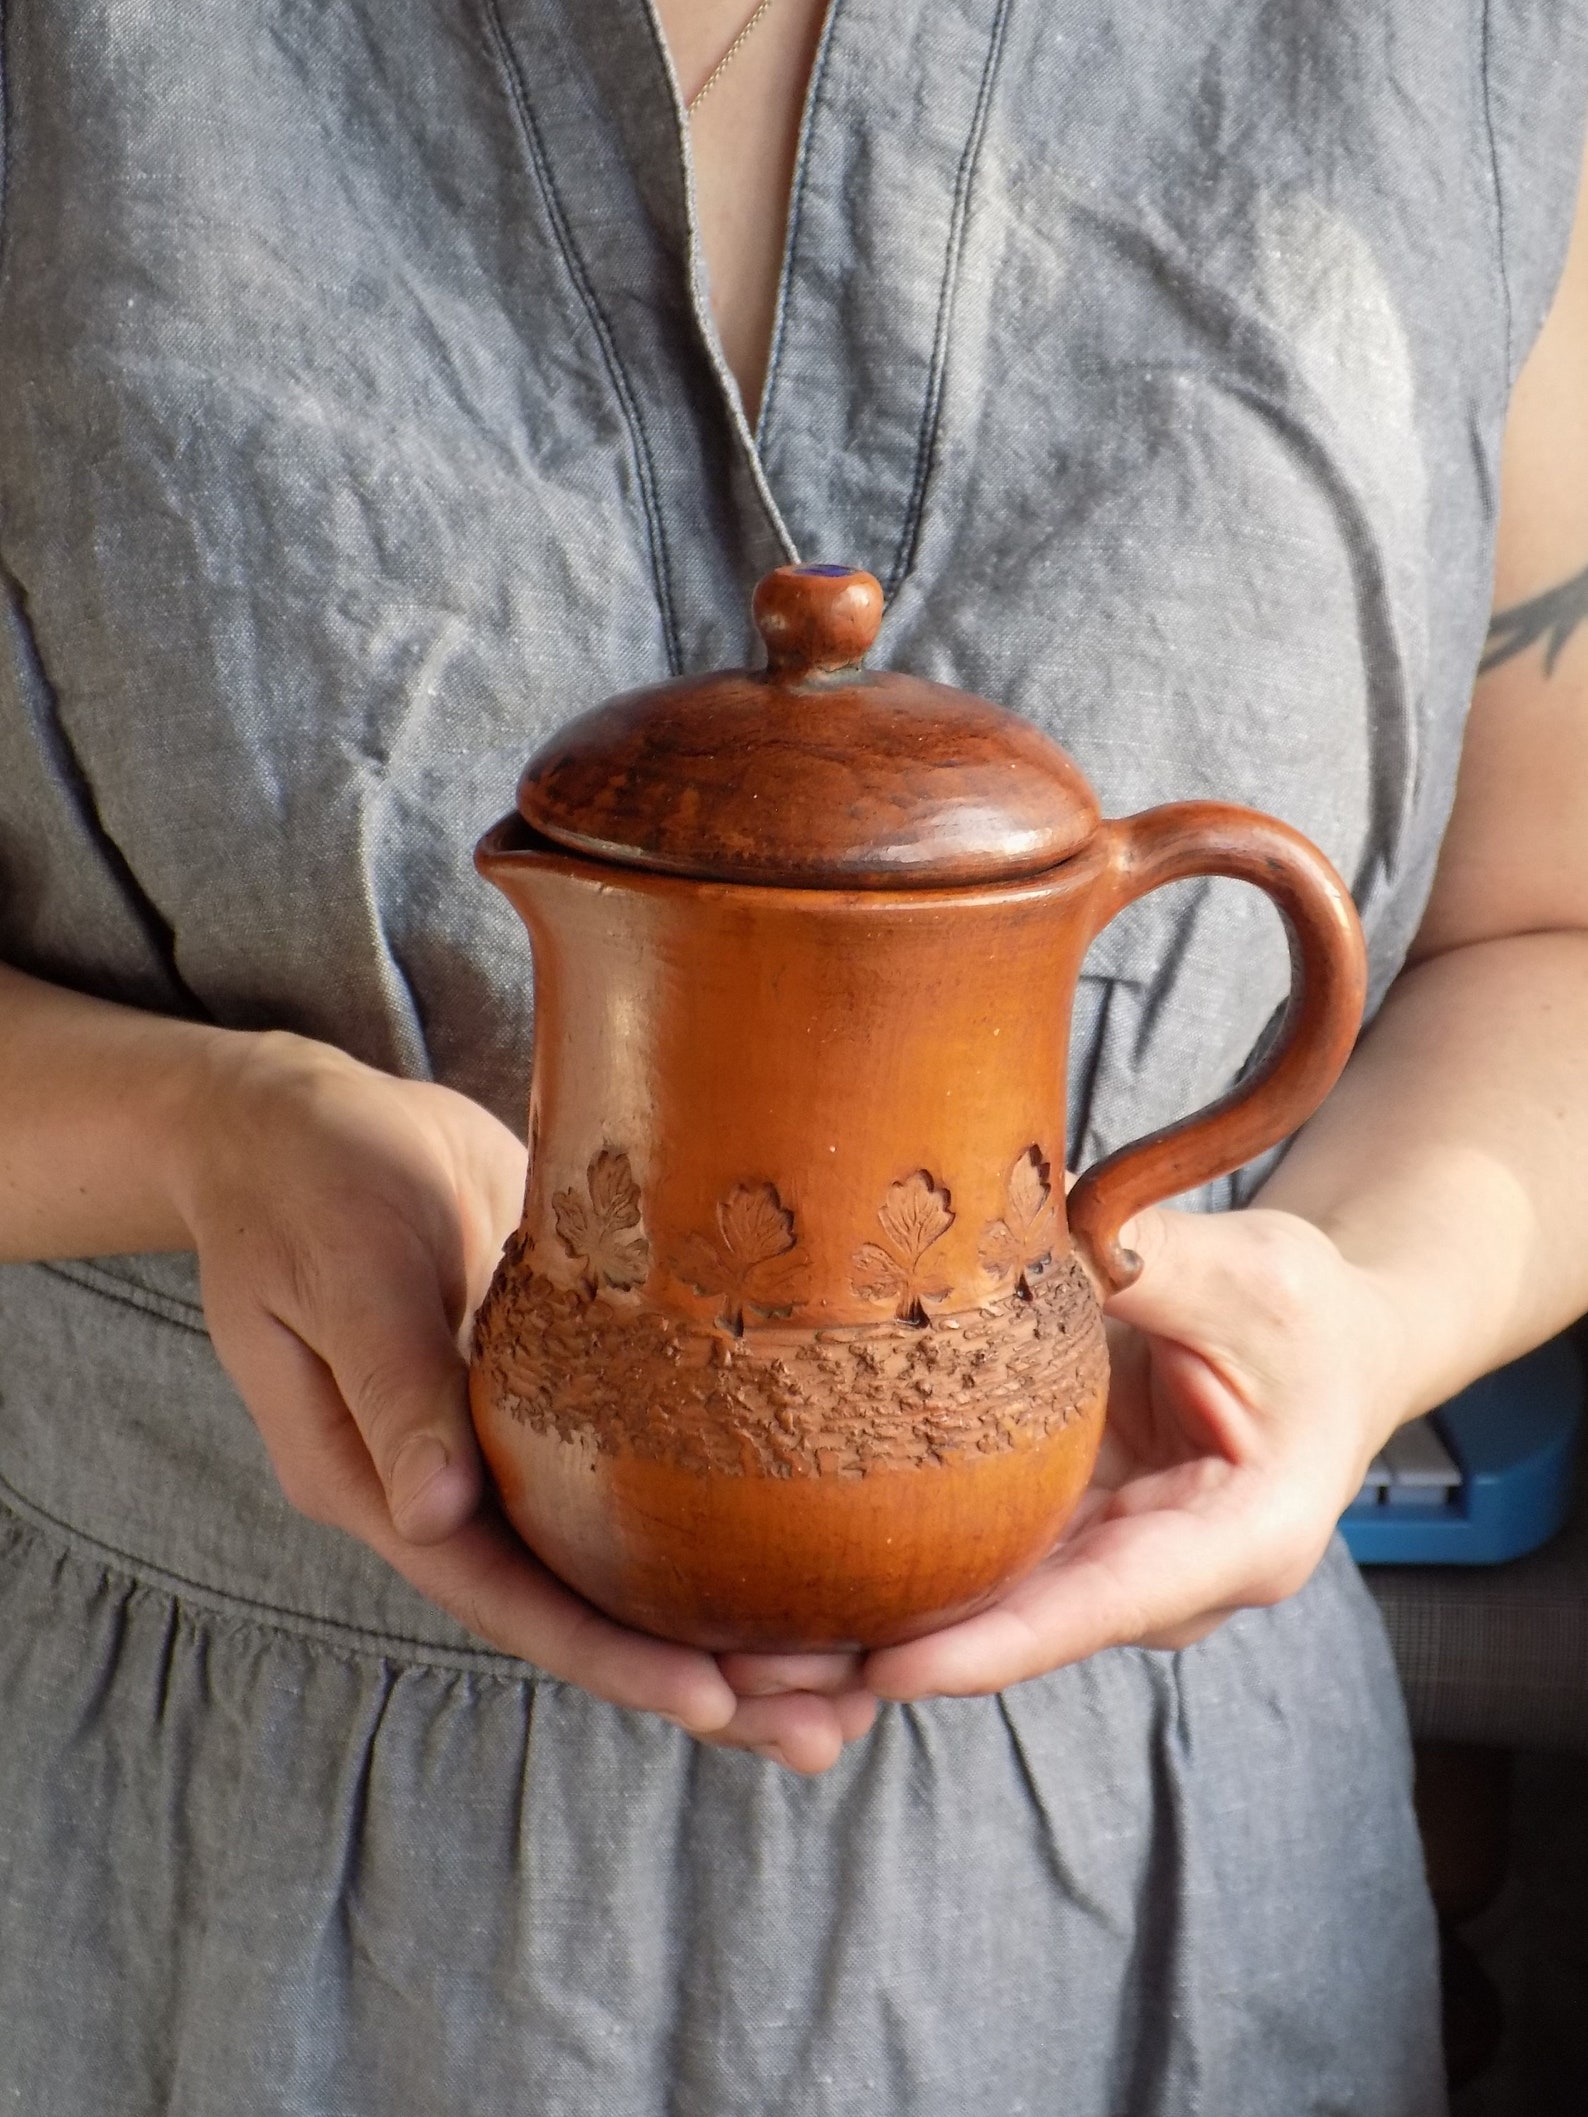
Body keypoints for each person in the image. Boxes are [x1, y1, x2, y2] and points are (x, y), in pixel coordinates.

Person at [2, 2, 1587, 2109]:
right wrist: (209, 1131)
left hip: (1135, 1911)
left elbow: (1551, 928)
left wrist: (1356, 1307)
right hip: (203, 1874)